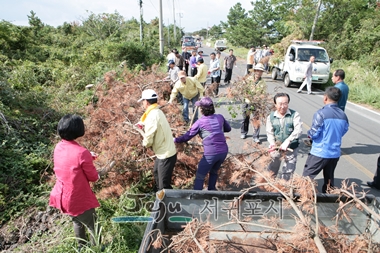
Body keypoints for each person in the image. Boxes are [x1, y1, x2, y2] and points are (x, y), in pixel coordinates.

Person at [49, 114, 101, 250]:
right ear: (78, 130)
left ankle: (81, 247)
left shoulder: (59, 146)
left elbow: (70, 161)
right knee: (93, 224)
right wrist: (96, 171)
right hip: (77, 198)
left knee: (77, 221)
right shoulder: (81, 152)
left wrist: (88, 156)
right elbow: (93, 177)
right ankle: (97, 249)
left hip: (63, 197)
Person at [174, 97, 231, 190]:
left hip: (211, 153)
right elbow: (228, 129)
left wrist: (176, 140)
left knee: (200, 175)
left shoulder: (200, 122)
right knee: (214, 171)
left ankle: (197, 196)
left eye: (200, 107)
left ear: (202, 109)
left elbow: (188, 136)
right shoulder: (220, 117)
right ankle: (212, 190)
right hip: (223, 151)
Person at [302, 87, 349, 193]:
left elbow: (314, 133)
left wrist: (309, 134)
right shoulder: (343, 115)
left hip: (320, 152)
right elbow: (344, 130)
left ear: (325, 98)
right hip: (335, 153)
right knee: (329, 179)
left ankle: (306, 198)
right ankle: (328, 199)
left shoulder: (321, 113)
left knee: (307, 177)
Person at [137, 89, 177, 191]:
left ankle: (169, 205)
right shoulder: (157, 111)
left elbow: (149, 136)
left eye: (143, 101)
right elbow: (152, 124)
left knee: (164, 185)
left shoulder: (152, 115)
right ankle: (161, 201)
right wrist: (142, 124)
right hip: (163, 153)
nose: (143, 103)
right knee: (156, 174)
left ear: (146, 101)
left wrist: (144, 144)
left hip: (166, 155)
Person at [267, 93, 303, 180]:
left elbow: (298, 130)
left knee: (288, 171)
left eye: (285, 103)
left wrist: (288, 141)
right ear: (275, 104)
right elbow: (270, 132)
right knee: (272, 169)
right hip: (277, 148)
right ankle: (270, 186)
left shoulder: (295, 115)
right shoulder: (271, 117)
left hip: (291, 148)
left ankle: (284, 186)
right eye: (280, 104)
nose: (283, 106)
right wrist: (272, 144)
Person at [241, 63, 266, 143]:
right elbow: (243, 90)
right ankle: (244, 132)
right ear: (255, 71)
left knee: (256, 120)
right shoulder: (248, 80)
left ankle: (256, 136)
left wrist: (258, 98)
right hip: (247, 102)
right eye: (257, 71)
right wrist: (248, 96)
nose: (259, 72)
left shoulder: (263, 83)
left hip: (257, 104)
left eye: (260, 71)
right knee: (245, 118)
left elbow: (264, 94)